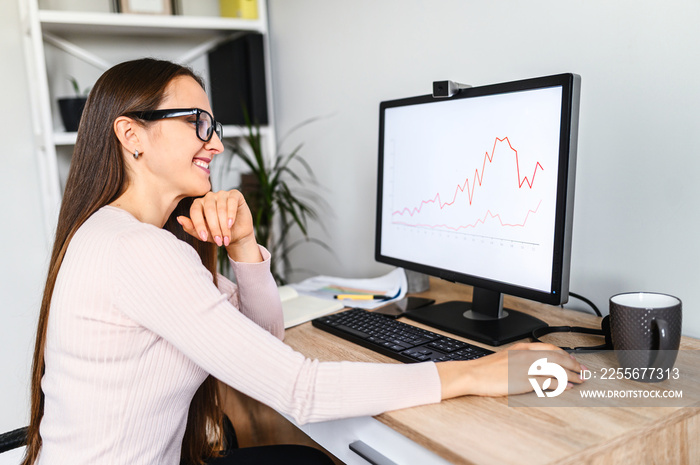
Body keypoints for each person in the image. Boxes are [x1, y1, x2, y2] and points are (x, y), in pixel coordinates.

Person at [22, 58, 583, 465]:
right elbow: (300, 390)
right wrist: (475, 373)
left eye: (211, 127)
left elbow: (261, 339)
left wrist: (243, 247)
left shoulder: (125, 236)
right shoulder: (138, 251)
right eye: (197, 122)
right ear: (131, 135)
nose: (215, 143)